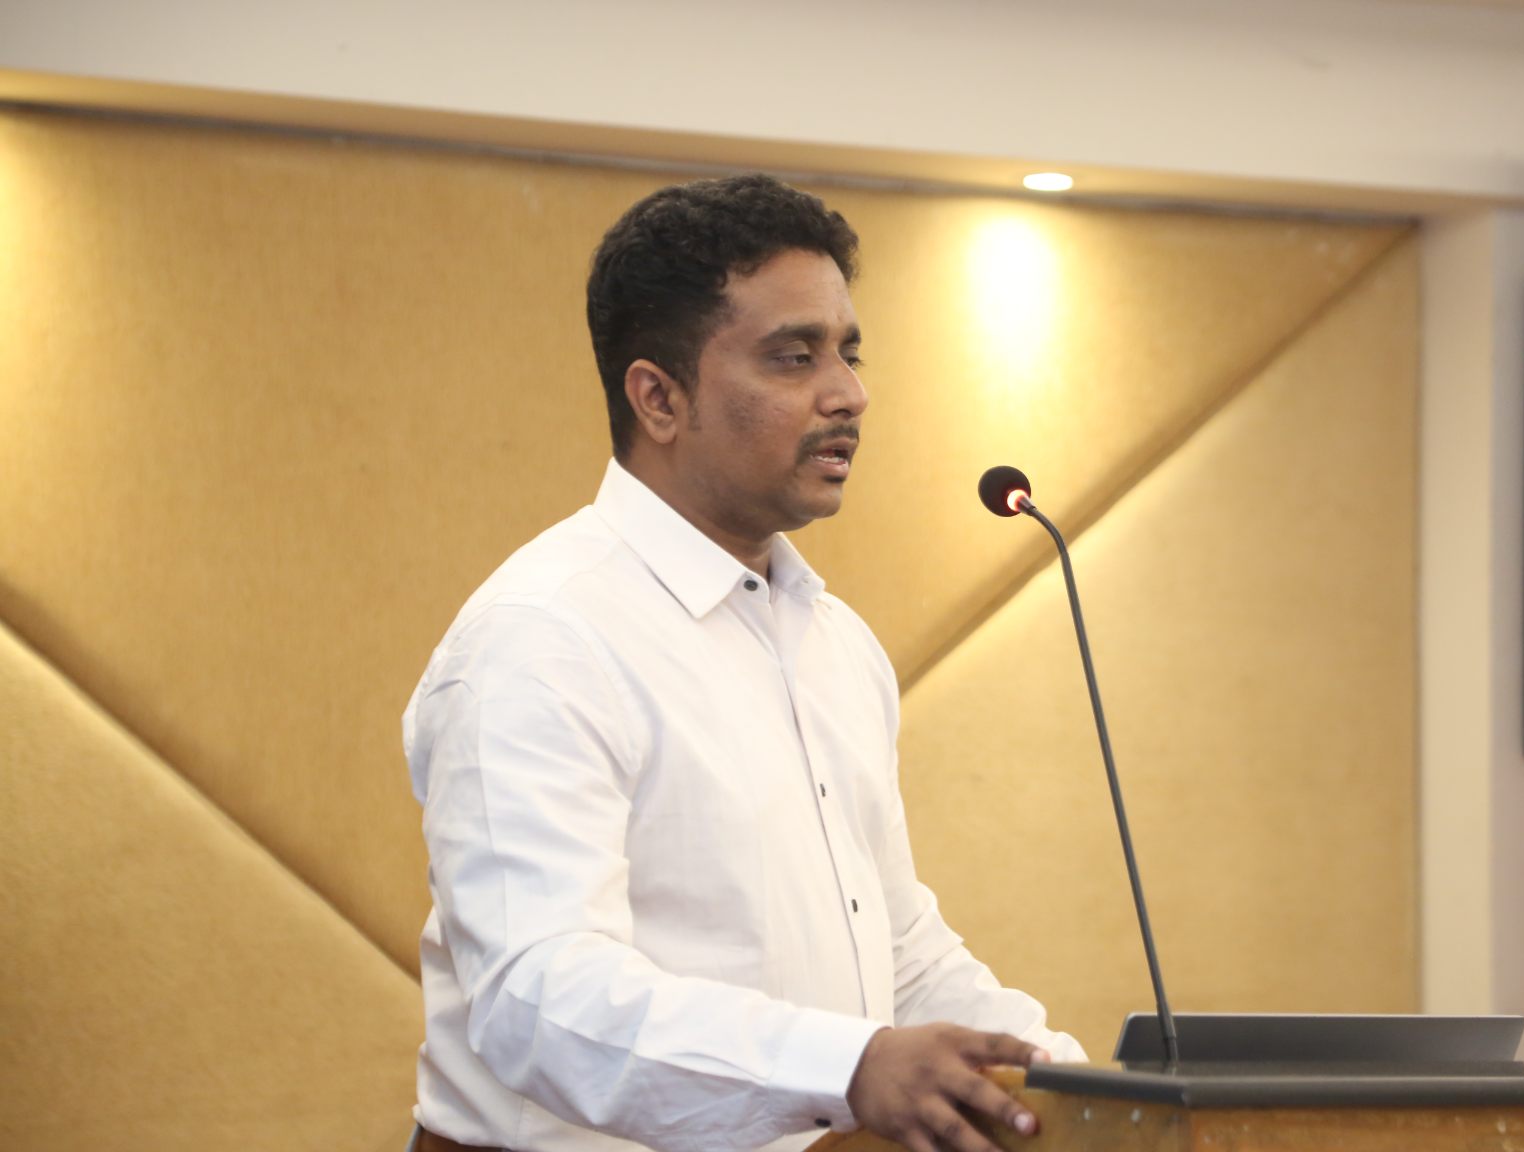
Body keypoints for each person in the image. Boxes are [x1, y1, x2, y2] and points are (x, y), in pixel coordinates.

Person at [403, 173, 1084, 1152]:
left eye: (849, 352)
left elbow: (896, 949)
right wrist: (847, 1066)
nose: (848, 393)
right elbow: (540, 998)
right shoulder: (541, 639)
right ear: (659, 398)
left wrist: (1071, 1079)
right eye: (794, 357)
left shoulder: (837, 644)